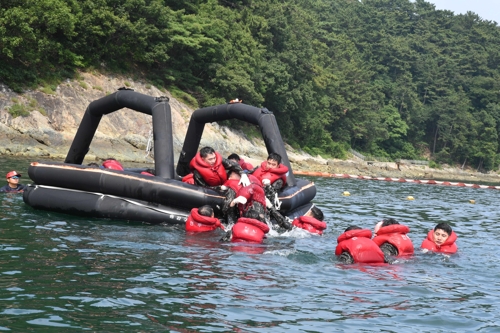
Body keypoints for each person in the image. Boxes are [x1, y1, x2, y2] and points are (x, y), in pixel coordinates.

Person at [184, 146, 250, 190]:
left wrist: (243, 174)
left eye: (214, 158)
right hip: (213, 189)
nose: (213, 161)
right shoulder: (197, 172)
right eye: (210, 159)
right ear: (203, 159)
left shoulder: (219, 160)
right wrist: (219, 188)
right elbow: (202, 187)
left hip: (225, 183)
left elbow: (234, 165)